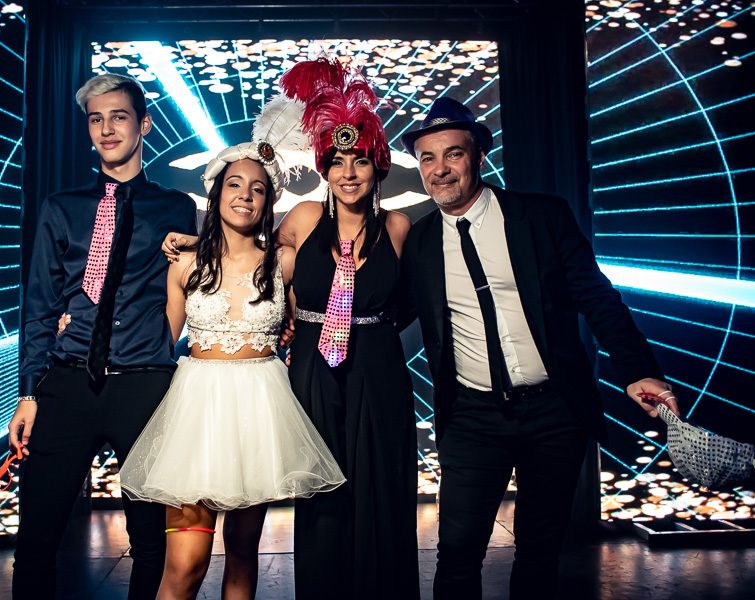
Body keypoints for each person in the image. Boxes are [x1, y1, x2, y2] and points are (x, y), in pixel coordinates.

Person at [398, 96, 680, 599]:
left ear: (478, 156)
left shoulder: (543, 217)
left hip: (554, 410)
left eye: (453, 155)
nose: (439, 170)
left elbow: (596, 297)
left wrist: (639, 369)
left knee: (540, 547)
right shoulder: (416, 245)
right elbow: (384, 315)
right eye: (427, 158)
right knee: (458, 549)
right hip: (471, 416)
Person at [163, 57, 419, 599]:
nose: (349, 173)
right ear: (324, 168)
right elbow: (244, 251)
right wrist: (193, 242)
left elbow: (418, 299)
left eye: (361, 162)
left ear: (379, 167)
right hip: (310, 365)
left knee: (380, 493)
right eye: (338, 162)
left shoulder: (398, 226)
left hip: (377, 364)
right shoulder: (301, 217)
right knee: (321, 498)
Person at [120, 141, 345, 600]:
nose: (245, 195)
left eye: (258, 188)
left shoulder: (283, 263)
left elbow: (304, 319)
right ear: (216, 192)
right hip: (197, 414)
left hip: (259, 413)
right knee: (184, 564)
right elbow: (158, 338)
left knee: (244, 551)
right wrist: (82, 326)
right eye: (235, 184)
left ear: (269, 201)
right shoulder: (185, 263)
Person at [7, 73, 197, 599]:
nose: (107, 129)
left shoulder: (177, 209)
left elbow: (190, 289)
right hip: (67, 385)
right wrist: (27, 392)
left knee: (151, 543)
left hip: (144, 387)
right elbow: (41, 306)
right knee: (38, 537)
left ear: (144, 125)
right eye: (96, 119)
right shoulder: (60, 208)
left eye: (118, 117)